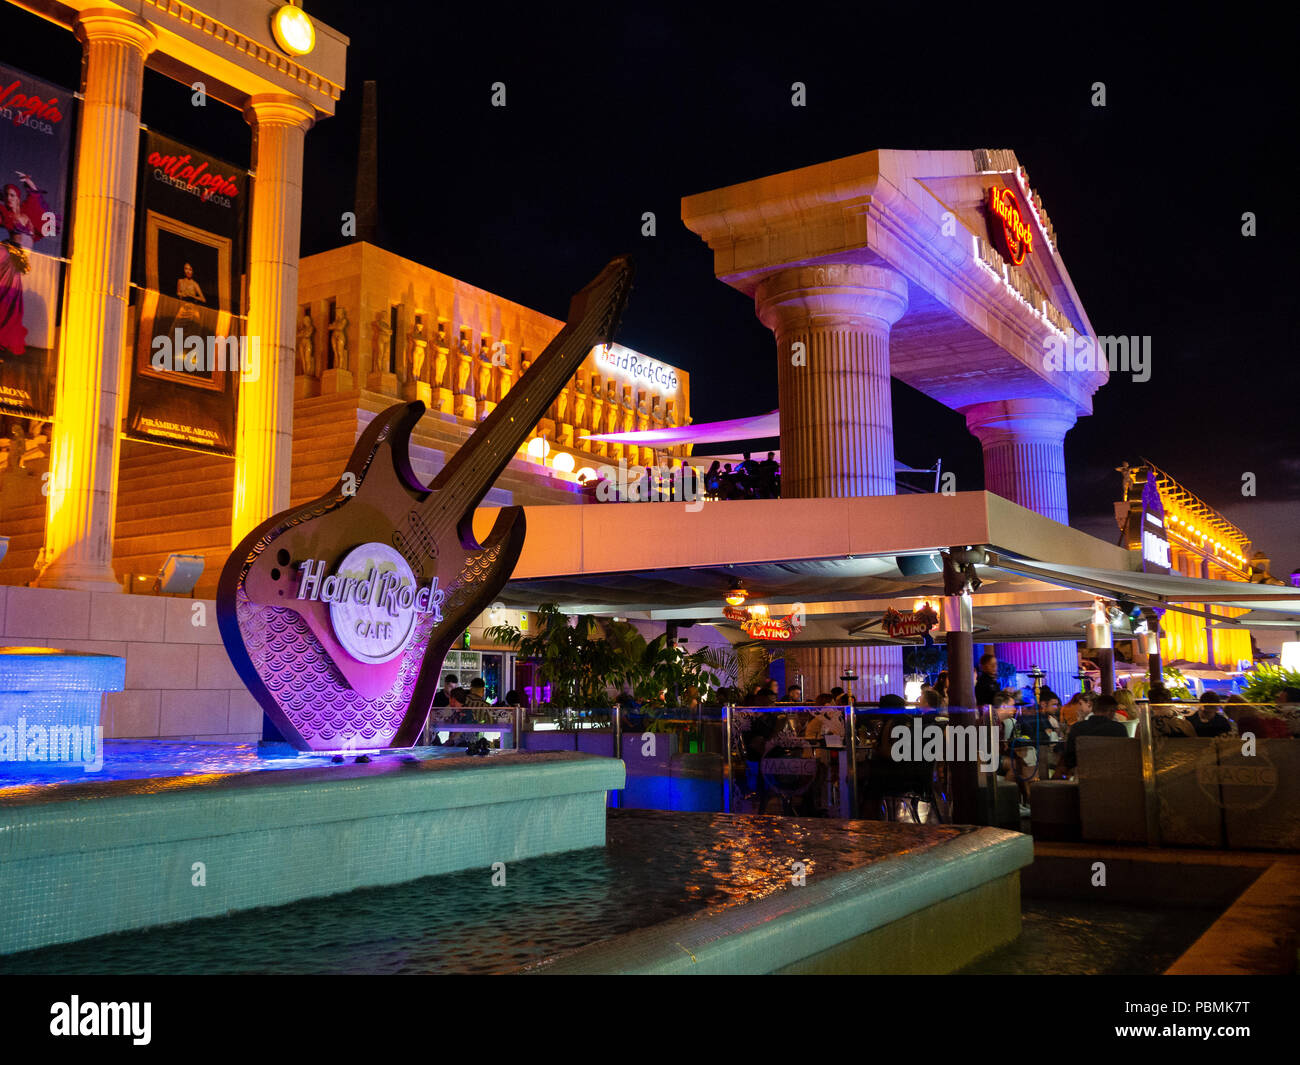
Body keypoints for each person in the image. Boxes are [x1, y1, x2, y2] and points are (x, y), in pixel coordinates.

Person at [1063, 693, 1129, 773]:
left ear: (1093, 709)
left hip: (1084, 775)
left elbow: (1069, 759)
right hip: (1113, 775)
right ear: (1111, 711)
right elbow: (1125, 757)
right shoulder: (1119, 729)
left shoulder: (1077, 728)